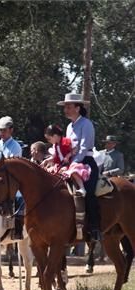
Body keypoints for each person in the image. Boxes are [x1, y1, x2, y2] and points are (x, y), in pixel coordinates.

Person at [57, 92, 101, 241]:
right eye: (65, 107)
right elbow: (68, 147)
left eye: (68, 106)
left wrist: (73, 162)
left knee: (88, 192)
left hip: (86, 162)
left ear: (77, 108)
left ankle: (94, 227)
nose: (66, 110)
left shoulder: (86, 124)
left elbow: (84, 147)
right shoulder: (69, 127)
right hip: (72, 163)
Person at [0, 116, 24, 239]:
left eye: (4, 130)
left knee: (19, 198)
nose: (1, 133)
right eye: (0, 130)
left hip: (10, 181)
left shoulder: (16, 146)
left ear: (11, 130)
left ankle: (17, 229)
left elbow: (12, 165)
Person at [43, 124, 91, 197]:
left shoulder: (67, 141)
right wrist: (47, 160)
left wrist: (68, 156)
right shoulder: (56, 145)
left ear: (55, 136)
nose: (48, 141)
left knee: (73, 172)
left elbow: (76, 149)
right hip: (61, 165)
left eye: (49, 139)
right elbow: (56, 156)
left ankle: (82, 188)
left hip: (71, 162)